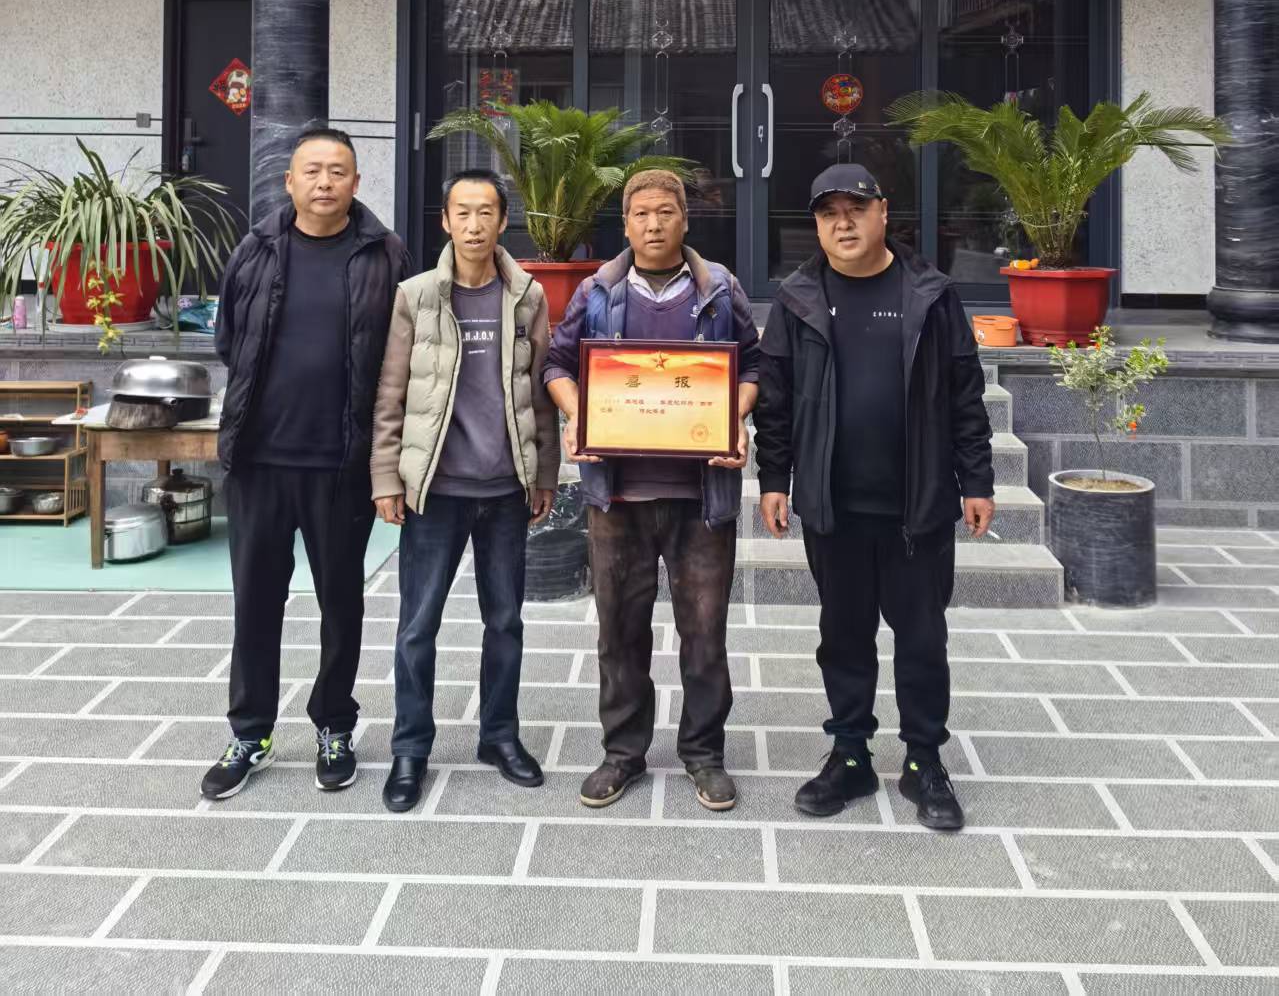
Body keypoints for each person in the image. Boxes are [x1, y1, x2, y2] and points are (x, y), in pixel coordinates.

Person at [754, 164, 995, 833]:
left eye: (855, 208)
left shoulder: (931, 295)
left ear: (883, 212)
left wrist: (977, 481)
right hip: (833, 506)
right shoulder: (797, 299)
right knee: (842, 636)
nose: (843, 223)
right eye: (828, 212)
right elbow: (773, 402)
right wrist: (773, 480)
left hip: (918, 504)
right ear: (815, 224)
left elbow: (965, 393)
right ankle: (851, 754)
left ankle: (924, 760)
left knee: (921, 639)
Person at [202, 126, 411, 801]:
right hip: (259, 461)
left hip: (340, 464)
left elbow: (401, 355)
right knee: (255, 601)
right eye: (312, 170)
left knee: (340, 602)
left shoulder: (384, 253)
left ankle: (334, 725)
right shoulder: (257, 248)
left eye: (338, 171)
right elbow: (229, 339)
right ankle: (250, 731)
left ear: (356, 182)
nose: (325, 182)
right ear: (289, 181)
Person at [544, 170, 760, 813]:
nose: (654, 224)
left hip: (701, 498)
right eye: (641, 214)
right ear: (626, 224)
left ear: (685, 219)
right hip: (619, 497)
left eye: (666, 212)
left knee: (705, 633)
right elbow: (557, 363)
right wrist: (577, 415)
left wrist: (736, 417)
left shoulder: (719, 289)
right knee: (619, 632)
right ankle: (622, 752)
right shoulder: (597, 291)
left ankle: (704, 754)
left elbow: (752, 363)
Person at [371, 169, 558, 812]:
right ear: (445, 221)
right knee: (417, 625)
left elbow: (541, 394)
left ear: (503, 221)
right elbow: (391, 394)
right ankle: (410, 749)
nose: (474, 225)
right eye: (463, 212)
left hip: (505, 489)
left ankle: (499, 736)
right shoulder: (417, 296)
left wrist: (545, 474)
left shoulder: (527, 295)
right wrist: (386, 477)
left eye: (486, 213)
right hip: (437, 489)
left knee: (504, 620)